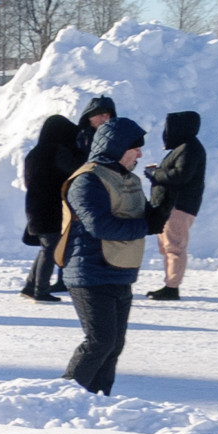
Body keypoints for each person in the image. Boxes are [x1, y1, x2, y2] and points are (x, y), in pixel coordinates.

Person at [57, 116, 149, 394]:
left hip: (120, 270)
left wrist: (164, 200)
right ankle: (65, 398)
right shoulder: (88, 180)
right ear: (116, 147)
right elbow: (100, 225)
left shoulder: (127, 179)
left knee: (114, 344)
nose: (140, 154)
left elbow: (143, 216)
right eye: (135, 148)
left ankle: (98, 400)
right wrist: (148, 224)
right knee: (100, 341)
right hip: (89, 271)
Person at [19, 114, 82, 302]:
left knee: (46, 247)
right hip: (51, 207)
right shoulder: (57, 151)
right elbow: (75, 169)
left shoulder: (35, 152)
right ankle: (41, 291)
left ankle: (31, 286)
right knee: (51, 248)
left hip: (35, 206)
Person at [143, 110, 204, 301]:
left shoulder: (189, 148)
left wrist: (155, 174)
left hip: (178, 206)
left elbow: (180, 175)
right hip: (173, 205)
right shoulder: (185, 147)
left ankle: (172, 287)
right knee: (168, 247)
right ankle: (170, 285)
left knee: (174, 247)